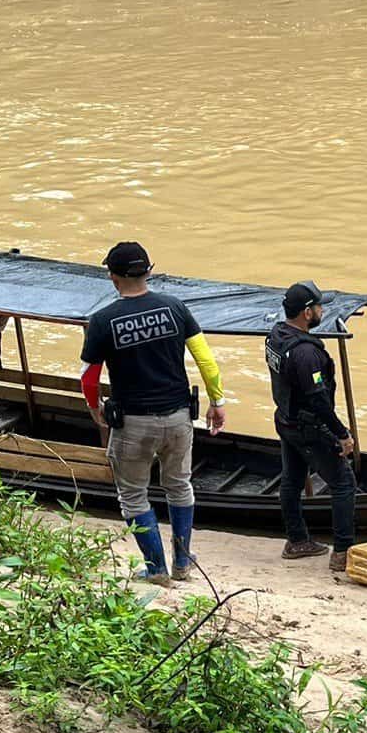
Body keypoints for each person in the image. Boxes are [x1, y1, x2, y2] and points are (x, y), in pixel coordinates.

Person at [79, 242, 227, 584]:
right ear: (149, 272)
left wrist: (94, 407)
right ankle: (182, 563)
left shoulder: (103, 320)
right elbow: (206, 360)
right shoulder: (175, 307)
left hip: (132, 423)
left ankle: (156, 569)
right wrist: (217, 402)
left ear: (113, 277)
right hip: (178, 417)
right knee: (179, 486)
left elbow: (88, 377)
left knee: (133, 495)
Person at [264, 281, 358, 572]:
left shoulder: (276, 336)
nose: (322, 311)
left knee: (292, 481)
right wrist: (342, 434)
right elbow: (318, 400)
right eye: (319, 307)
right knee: (344, 483)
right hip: (308, 427)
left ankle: (297, 541)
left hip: (286, 420)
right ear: (307, 313)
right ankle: (342, 553)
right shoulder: (306, 354)